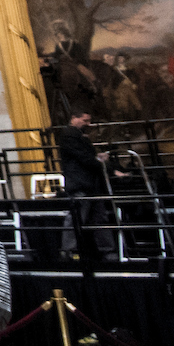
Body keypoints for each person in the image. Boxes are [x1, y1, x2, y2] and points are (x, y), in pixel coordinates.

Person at [55, 110, 108, 263]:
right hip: (80, 183)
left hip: (88, 183)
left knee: (98, 218)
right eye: (85, 120)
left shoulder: (75, 135)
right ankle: (69, 251)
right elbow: (83, 157)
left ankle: (104, 252)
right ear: (74, 118)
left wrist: (97, 159)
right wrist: (99, 161)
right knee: (77, 218)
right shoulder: (69, 134)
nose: (88, 124)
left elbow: (86, 156)